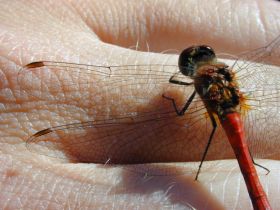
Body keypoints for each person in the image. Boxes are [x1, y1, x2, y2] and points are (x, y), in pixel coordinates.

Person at [1, 0, 279, 209]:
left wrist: (170, 99)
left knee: (215, 133)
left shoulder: (198, 79)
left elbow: (182, 110)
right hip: (234, 113)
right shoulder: (224, 74)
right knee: (234, 138)